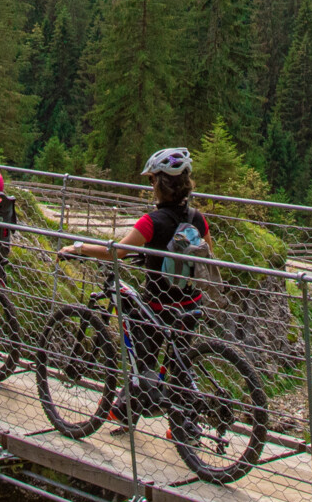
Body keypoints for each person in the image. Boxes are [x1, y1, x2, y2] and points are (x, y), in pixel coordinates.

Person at [58, 147, 209, 430]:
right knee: (178, 364)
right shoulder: (198, 218)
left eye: (151, 180)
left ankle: (144, 409)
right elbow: (204, 253)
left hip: (160, 307)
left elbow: (115, 251)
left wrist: (79, 247)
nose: (150, 186)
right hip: (191, 304)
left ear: (160, 184)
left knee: (142, 356)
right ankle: (168, 420)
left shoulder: (151, 221)